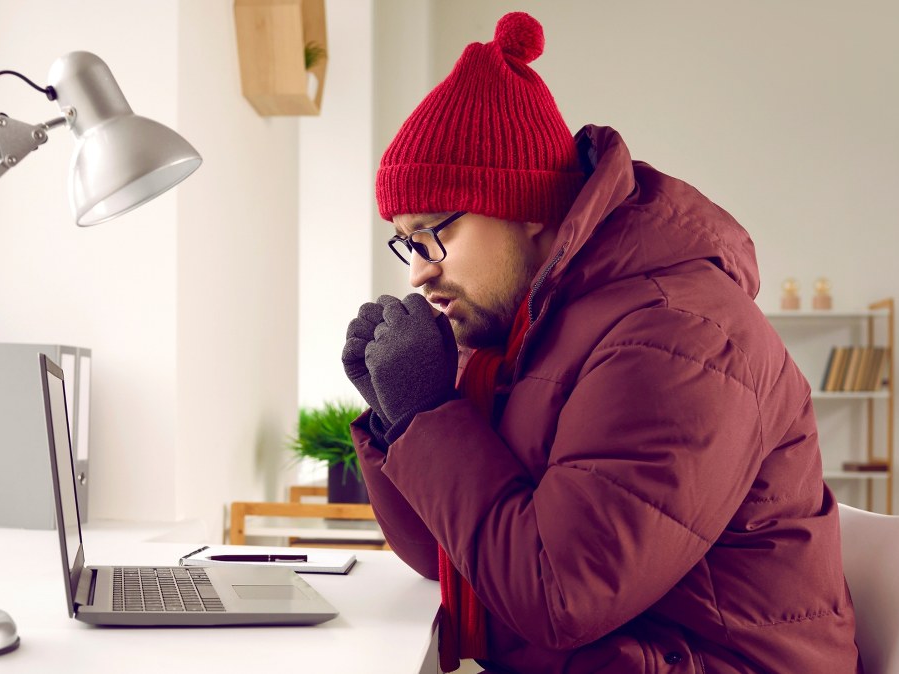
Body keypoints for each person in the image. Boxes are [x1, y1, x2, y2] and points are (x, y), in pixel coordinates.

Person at [341, 12, 861, 674]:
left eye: (433, 233)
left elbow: (562, 596)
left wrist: (429, 415)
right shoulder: (531, 335)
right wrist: (398, 417)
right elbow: (448, 560)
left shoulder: (676, 338)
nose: (418, 271)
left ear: (527, 208)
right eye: (406, 243)